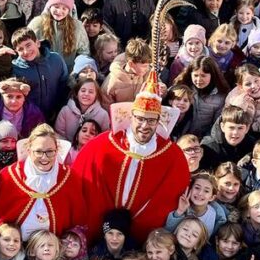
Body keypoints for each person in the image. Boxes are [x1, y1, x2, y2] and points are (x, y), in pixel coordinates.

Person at [74, 71, 190, 242]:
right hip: (99, 231)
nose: (144, 125)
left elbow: (171, 195)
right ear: (131, 116)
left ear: (158, 122)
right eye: (140, 119)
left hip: (141, 239)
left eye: (151, 120)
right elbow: (80, 180)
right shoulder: (102, 144)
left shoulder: (172, 155)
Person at [0, 124, 85, 240]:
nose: (44, 157)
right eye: (38, 151)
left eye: (50, 151)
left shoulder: (69, 178)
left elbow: (78, 219)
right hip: (13, 248)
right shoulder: (9, 175)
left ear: (57, 150)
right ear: (29, 150)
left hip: (52, 249)